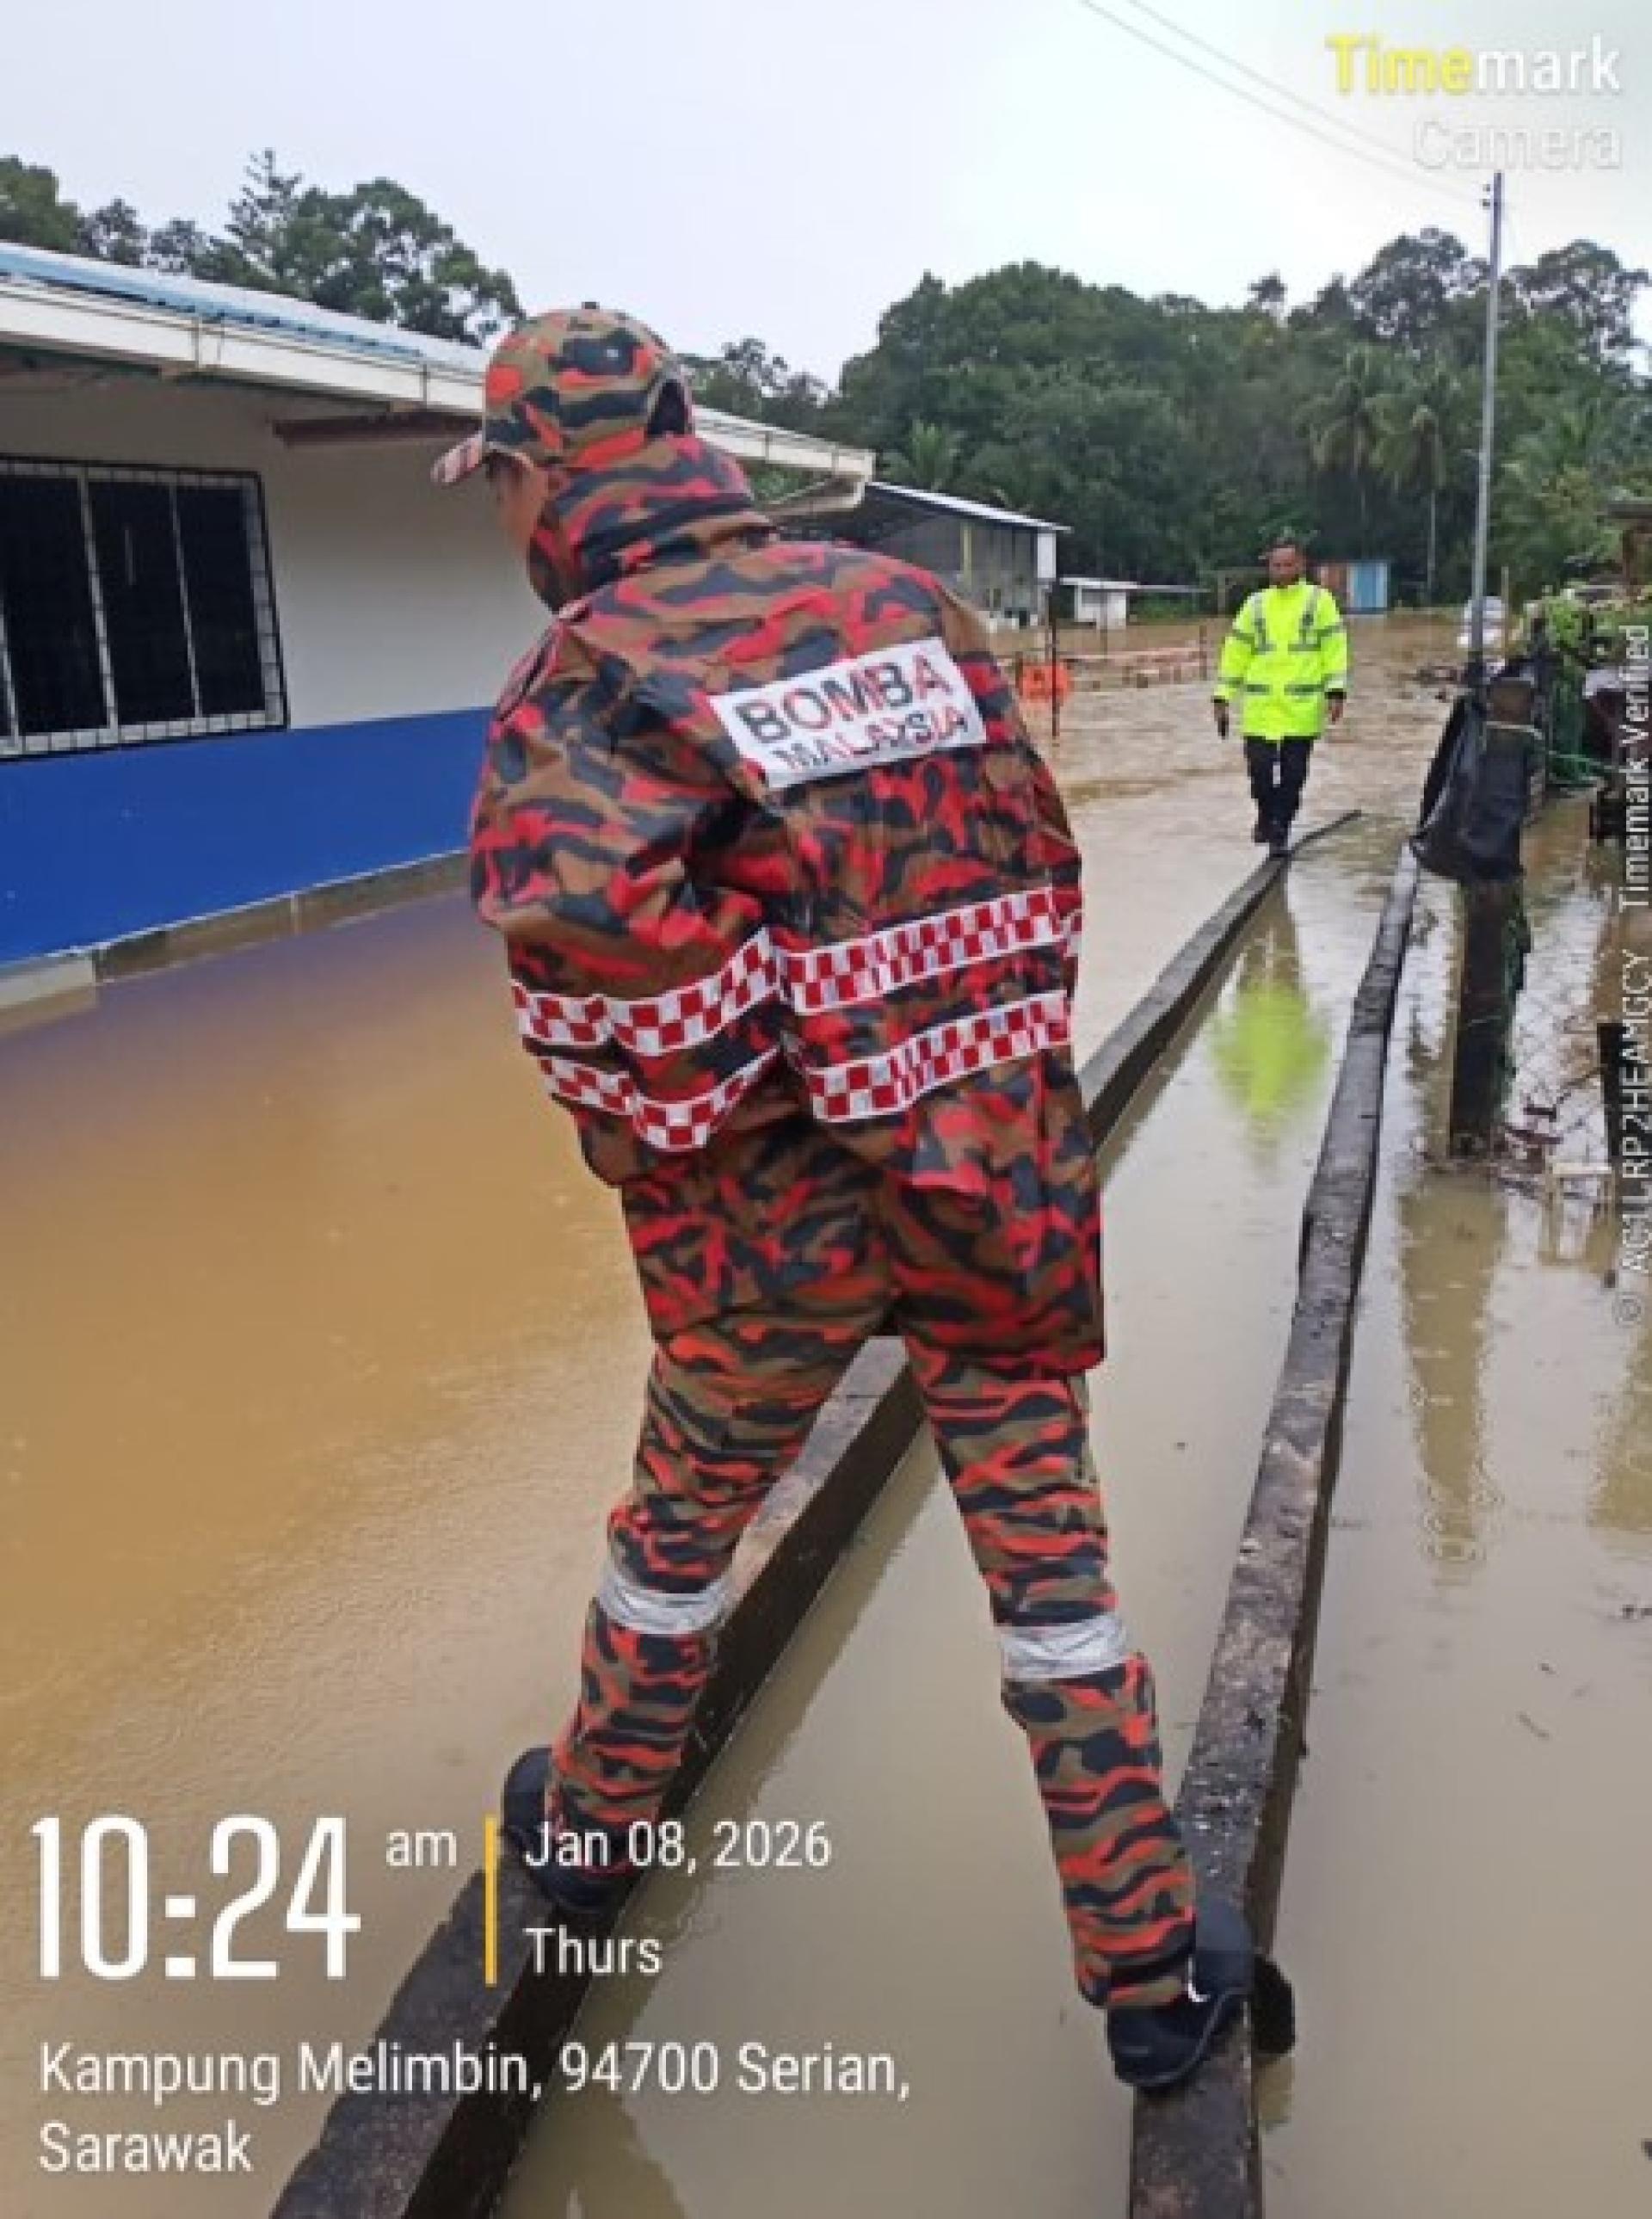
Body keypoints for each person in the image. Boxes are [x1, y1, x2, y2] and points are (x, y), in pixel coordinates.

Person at [433, 305, 1252, 2091]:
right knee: (1054, 1566)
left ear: (541, 473)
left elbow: (608, 986)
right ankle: (1149, 1969)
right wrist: (934, 1070)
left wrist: (769, 1095)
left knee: (677, 1540)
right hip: (992, 1180)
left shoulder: (588, 674)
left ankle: (591, 1829)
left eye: (496, 482)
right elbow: (1037, 861)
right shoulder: (913, 609)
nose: (500, 516)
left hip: (768, 1242)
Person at [1213, 538, 1348, 857]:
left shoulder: (1319, 602)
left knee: (1293, 777)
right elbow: (1236, 652)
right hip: (1261, 708)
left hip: (1302, 708)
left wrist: (1336, 691)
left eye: (1289, 565)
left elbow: (1334, 648)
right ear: (1269, 567)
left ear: (1301, 565)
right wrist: (1222, 697)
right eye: (1277, 565)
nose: (1283, 571)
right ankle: (1265, 814)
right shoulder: (1255, 604)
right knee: (1259, 772)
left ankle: (1280, 829)